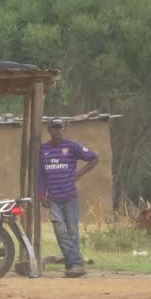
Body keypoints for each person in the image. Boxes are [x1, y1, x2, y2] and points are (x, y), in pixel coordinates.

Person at [39, 117, 99, 278]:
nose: (57, 131)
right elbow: (42, 175)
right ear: (49, 130)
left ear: (63, 129)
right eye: (54, 128)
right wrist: (41, 194)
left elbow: (94, 158)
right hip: (53, 198)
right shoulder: (43, 150)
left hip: (70, 196)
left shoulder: (72, 146)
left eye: (60, 128)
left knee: (72, 232)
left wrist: (79, 174)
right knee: (60, 231)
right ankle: (77, 263)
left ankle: (72, 265)